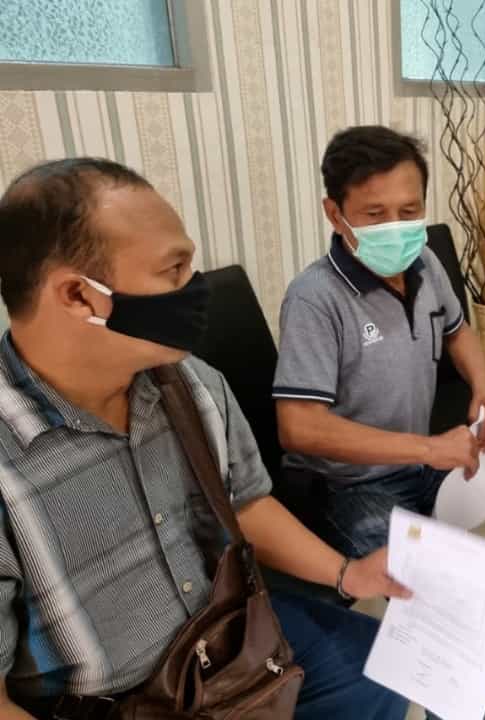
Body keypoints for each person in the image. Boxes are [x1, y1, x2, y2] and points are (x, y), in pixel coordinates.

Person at [0, 159, 411, 719]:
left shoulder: (192, 385)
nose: (195, 288)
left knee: (382, 668)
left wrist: (348, 574)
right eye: (174, 270)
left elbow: (245, 502)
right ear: (78, 296)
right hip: (115, 702)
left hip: (228, 640)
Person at [273, 126, 485, 638]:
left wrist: (484, 388)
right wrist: (428, 449)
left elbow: (457, 330)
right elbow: (299, 428)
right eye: (375, 214)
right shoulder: (314, 299)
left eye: (409, 211)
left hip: (419, 462)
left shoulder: (424, 262)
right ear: (335, 214)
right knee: (434, 576)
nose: (396, 228)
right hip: (348, 486)